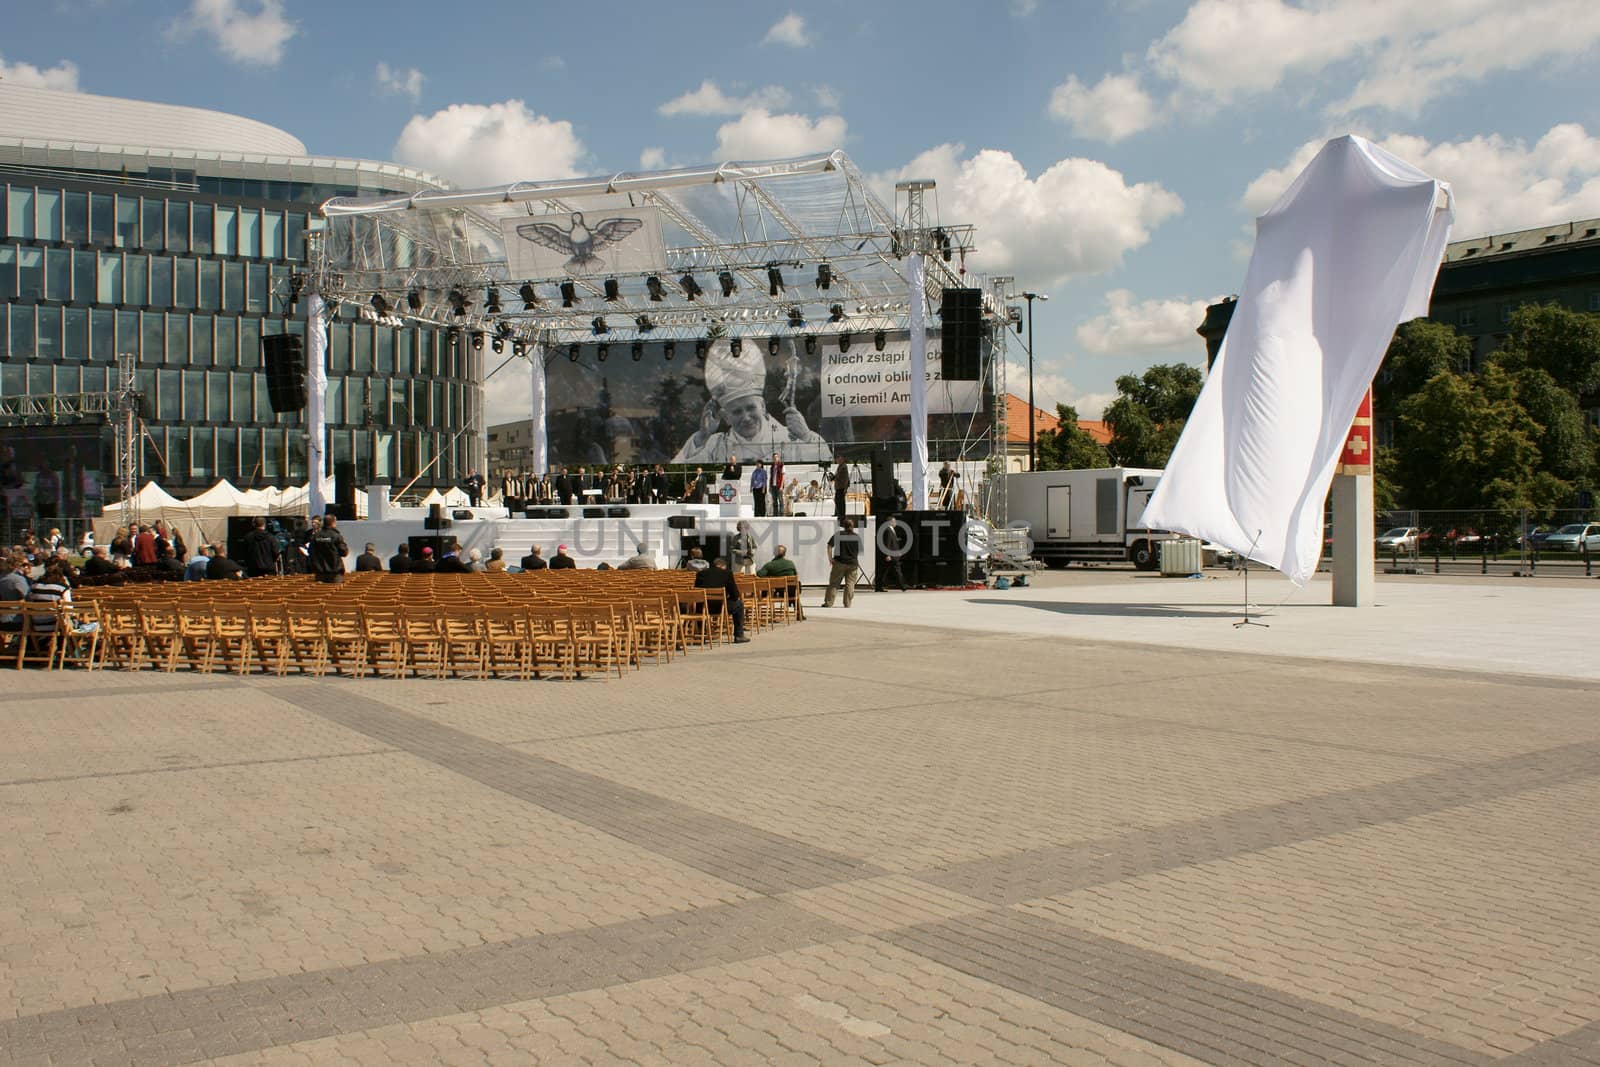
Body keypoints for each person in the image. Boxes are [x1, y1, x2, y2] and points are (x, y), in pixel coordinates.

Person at [672, 338, 828, 463]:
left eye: (751, 408)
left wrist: (807, 436)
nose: (746, 417)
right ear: (726, 417)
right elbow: (678, 467)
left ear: (763, 407)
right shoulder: (715, 445)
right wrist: (702, 436)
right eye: (736, 411)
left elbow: (827, 460)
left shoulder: (790, 439)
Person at [693, 557, 751, 643]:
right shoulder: (727, 573)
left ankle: (702, 634)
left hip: (703, 608)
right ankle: (739, 635)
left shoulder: (701, 573)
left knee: (699, 603)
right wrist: (728, 598)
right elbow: (735, 595)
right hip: (720, 607)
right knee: (739, 604)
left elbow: (696, 591)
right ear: (722, 566)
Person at [756, 544, 805, 621]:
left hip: (778, 592)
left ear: (774, 553)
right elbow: (795, 575)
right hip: (791, 591)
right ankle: (799, 613)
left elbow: (759, 574)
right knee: (794, 591)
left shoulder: (770, 565)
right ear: (785, 554)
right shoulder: (790, 564)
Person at [823, 518, 862, 608]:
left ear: (844, 526)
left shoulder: (839, 534)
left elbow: (829, 545)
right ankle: (847, 603)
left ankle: (829, 602)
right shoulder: (856, 536)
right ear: (852, 527)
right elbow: (858, 549)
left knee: (834, 583)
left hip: (840, 562)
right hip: (852, 563)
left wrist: (830, 558)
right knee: (850, 584)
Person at [309, 513, 349, 584]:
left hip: (319, 573)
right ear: (333, 523)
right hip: (335, 573)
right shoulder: (336, 536)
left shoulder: (315, 536)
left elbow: (310, 551)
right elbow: (344, 552)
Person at [876, 520, 910, 592]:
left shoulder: (891, 530)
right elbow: (887, 543)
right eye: (894, 521)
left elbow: (893, 543)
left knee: (883, 571)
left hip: (893, 554)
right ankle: (902, 585)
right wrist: (887, 554)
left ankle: (878, 586)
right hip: (891, 555)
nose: (896, 523)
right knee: (897, 570)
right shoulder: (888, 530)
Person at [0, 553, 30, 632]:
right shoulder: (18, 580)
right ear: (18, 566)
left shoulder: (2, 578)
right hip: (16, 620)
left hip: (2, 619)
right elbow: (28, 598)